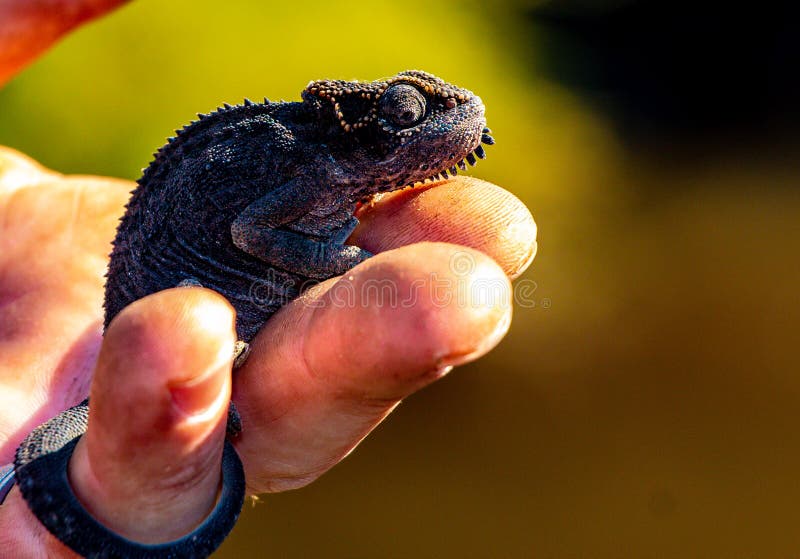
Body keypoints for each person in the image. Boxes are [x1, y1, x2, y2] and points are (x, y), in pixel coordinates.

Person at [0, 1, 537, 555]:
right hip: (180, 299)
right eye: (404, 112)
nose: (441, 121)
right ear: (355, 131)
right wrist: (338, 263)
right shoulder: (316, 160)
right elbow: (251, 232)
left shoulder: (321, 161)